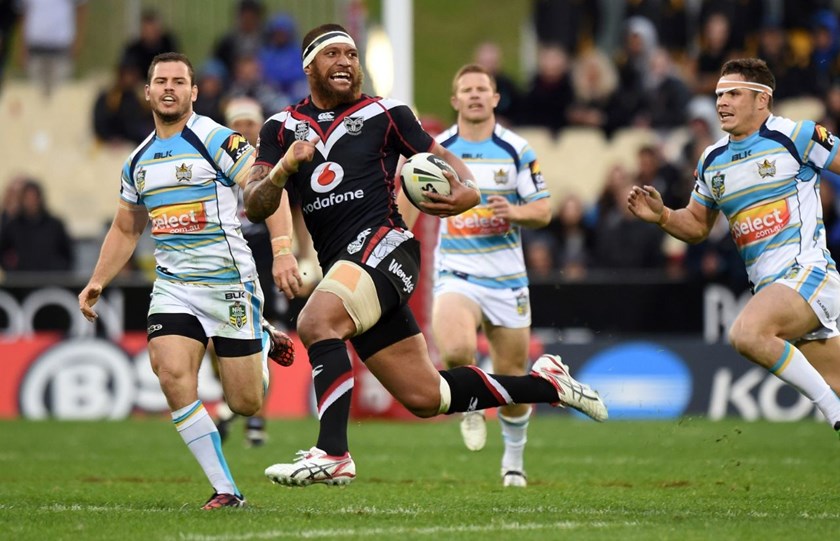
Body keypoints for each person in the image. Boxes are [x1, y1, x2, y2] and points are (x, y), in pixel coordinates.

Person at [243, 23, 607, 487]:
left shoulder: (387, 112)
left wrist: (467, 194)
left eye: (352, 55)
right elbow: (256, 203)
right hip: (348, 268)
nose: (346, 63)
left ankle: (333, 452)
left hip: (387, 247)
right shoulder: (280, 128)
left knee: (317, 322)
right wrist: (283, 170)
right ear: (309, 65)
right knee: (425, 396)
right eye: (333, 54)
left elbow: (450, 163)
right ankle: (549, 384)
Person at [78, 52, 293, 509]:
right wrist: (98, 279)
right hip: (174, 285)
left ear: (194, 92)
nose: (170, 87)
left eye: (179, 81)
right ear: (149, 92)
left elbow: (266, 191)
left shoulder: (216, 138)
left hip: (229, 283)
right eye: (161, 81)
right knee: (170, 372)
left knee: (245, 403)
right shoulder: (138, 160)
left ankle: (260, 335)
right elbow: (126, 227)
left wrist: (283, 253)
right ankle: (226, 489)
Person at [628, 58, 840, 438]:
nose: (722, 103)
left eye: (733, 94)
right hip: (772, 289)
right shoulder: (712, 160)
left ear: (763, 100)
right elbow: (695, 226)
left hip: (809, 272)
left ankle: (833, 411)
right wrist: (662, 216)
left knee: (747, 333)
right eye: (719, 95)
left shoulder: (797, 136)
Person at [397, 64, 552, 487]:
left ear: (496, 98)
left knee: (514, 377)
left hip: (507, 280)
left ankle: (514, 461)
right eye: (467, 90)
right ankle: (468, 404)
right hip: (456, 273)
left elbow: (544, 209)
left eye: (483, 89)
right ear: (455, 101)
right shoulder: (438, 150)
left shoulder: (517, 149)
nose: (475, 96)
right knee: (457, 350)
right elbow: (406, 201)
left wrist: (514, 212)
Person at [0, 178, 73, 273]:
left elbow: (67, 255)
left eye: (33, 197)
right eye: (27, 198)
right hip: (20, 282)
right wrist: (13, 270)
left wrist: (57, 269)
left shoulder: (54, 225)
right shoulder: (13, 226)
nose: (30, 202)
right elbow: (4, 253)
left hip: (51, 281)